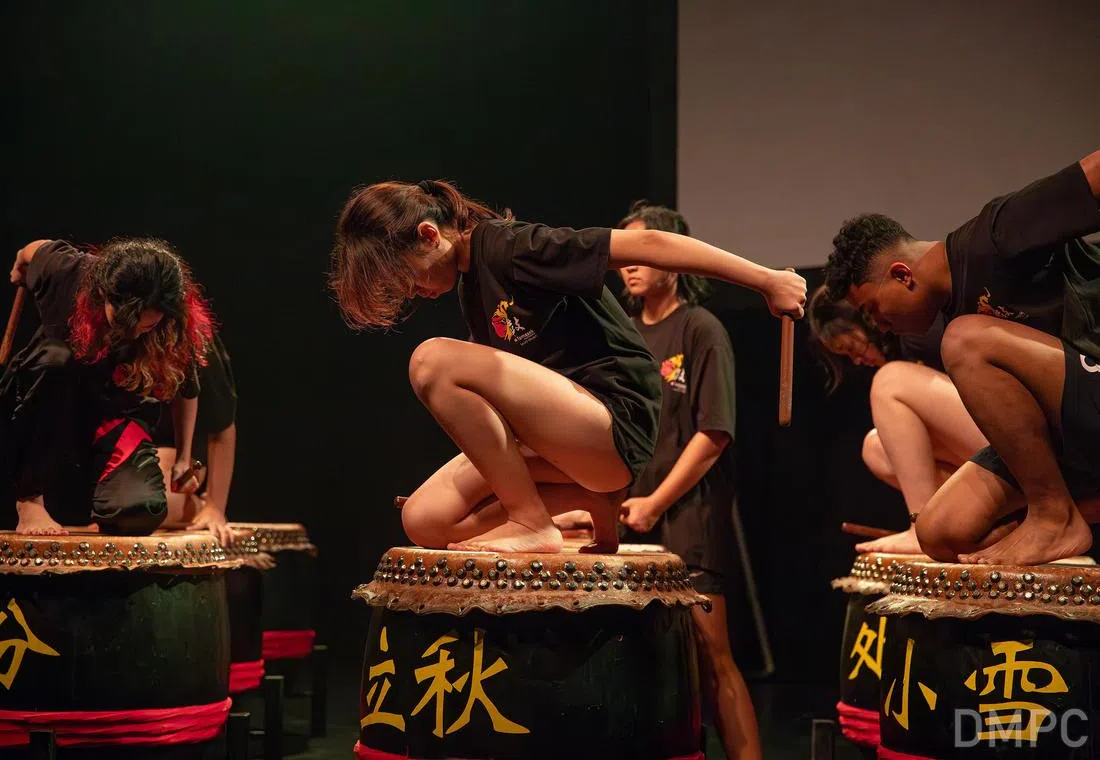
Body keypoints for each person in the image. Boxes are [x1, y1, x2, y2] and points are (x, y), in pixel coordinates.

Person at [329, 180, 806, 554]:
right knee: (424, 519)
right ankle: (589, 500)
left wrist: (764, 280)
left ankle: (532, 522)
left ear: (429, 235)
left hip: (614, 421)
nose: (412, 292)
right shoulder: (472, 288)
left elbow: (652, 245)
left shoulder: (511, 246)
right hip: (569, 445)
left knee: (430, 359)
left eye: (406, 277)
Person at [824, 149, 1100, 565]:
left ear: (902, 275)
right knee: (939, 532)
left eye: (872, 310)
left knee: (965, 340)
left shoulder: (996, 234)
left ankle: (1053, 517)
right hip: (1069, 432)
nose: (878, 327)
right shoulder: (953, 303)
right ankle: (1053, 517)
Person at [615, 202, 761, 760]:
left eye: (642, 252)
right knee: (640, 656)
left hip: (688, 517)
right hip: (628, 517)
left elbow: (714, 432)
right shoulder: (623, 334)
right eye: (623, 254)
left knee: (709, 652)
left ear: (674, 261)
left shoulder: (701, 329)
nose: (629, 265)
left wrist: (655, 502)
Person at [0, 237, 214, 536]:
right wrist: (20, 262)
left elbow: (187, 389)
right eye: (126, 320)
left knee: (139, 514)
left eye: (147, 325)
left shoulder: (173, 323)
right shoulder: (70, 273)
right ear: (103, 293)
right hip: (53, 406)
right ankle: (30, 501)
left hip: (114, 417)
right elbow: (36, 248)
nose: (135, 331)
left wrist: (182, 458)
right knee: (54, 360)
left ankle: (110, 502)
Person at [808, 286, 990, 554]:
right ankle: (985, 522)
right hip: (986, 457)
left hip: (1014, 435)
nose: (857, 361)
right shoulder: (901, 352)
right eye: (847, 356)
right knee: (876, 448)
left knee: (889, 380)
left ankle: (924, 529)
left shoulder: (916, 332)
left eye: (851, 347)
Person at [154, 330, 238, 546]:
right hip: (122, 448)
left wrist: (214, 507)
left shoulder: (191, 337)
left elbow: (223, 424)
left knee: (154, 503)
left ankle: (197, 505)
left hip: (178, 455)